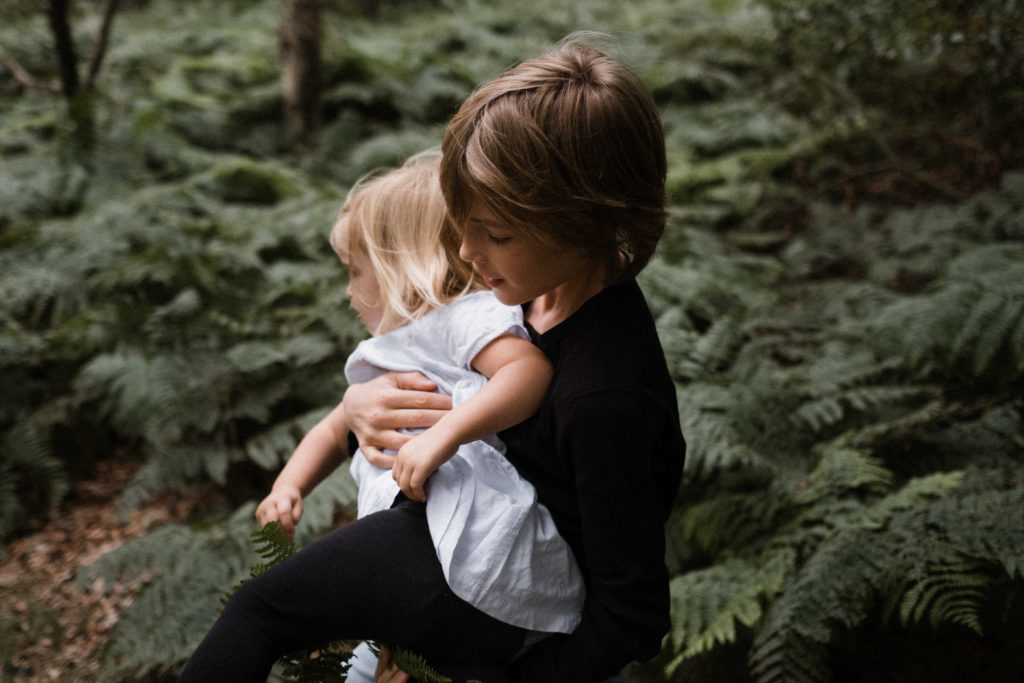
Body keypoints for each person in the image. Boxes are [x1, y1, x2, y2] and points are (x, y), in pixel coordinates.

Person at [345, 38, 686, 682]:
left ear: (589, 221)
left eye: (495, 234)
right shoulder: (524, 290)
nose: (467, 253)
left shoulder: (603, 398)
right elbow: (422, 348)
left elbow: (632, 618)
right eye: (463, 225)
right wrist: (359, 404)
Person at [177, 152, 584, 682]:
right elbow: (333, 428)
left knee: (257, 612)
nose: (349, 292)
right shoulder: (398, 351)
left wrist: (444, 437)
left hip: (451, 539)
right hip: (459, 583)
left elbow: (526, 373)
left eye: (355, 272)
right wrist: (288, 486)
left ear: (400, 265)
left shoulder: (461, 318)